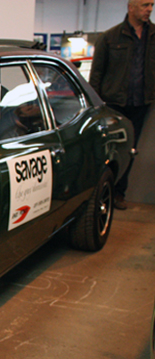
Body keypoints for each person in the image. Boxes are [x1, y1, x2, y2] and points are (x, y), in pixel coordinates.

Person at [90, 0, 155, 210]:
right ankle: (100, 192)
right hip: (113, 103)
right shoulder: (109, 37)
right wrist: (95, 104)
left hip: (140, 103)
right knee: (106, 151)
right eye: (145, 5)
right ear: (131, 6)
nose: (149, 10)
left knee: (130, 150)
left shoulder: (153, 36)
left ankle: (118, 193)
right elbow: (97, 73)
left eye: (152, 5)